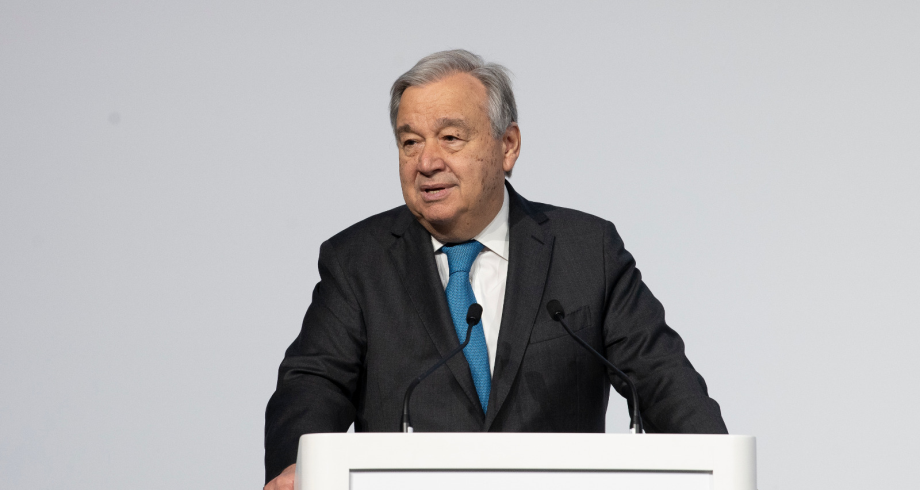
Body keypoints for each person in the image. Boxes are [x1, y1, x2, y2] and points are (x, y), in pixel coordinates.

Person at [263, 49, 727, 490]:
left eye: (450, 138)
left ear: (508, 146)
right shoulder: (358, 261)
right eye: (410, 142)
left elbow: (661, 378)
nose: (426, 162)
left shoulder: (587, 251)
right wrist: (295, 466)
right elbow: (314, 383)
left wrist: (720, 471)